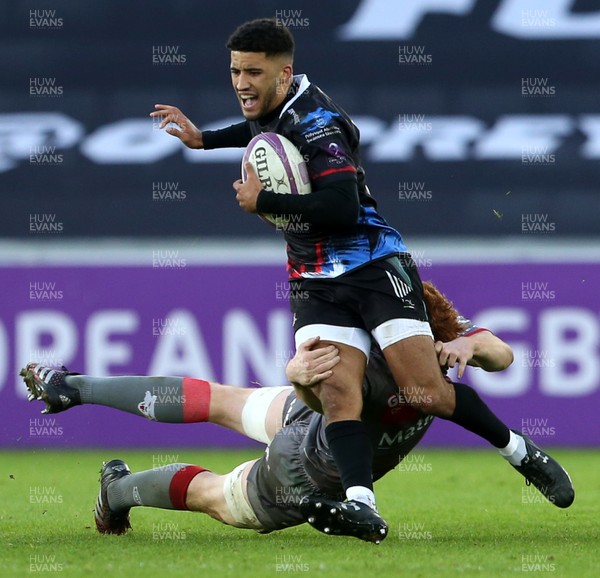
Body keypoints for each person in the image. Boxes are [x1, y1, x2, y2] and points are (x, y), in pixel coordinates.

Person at [147, 18, 573, 537]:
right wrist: (204, 139)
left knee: (426, 393)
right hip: (314, 278)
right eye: (236, 71)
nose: (241, 83)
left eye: (253, 72)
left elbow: (343, 206)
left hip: (372, 264)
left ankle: (522, 453)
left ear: (285, 76)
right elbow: (261, 131)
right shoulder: (276, 109)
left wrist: (264, 202)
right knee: (336, 389)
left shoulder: (319, 122)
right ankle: (360, 502)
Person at [21, 282, 575, 544]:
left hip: (306, 421)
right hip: (308, 461)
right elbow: (335, 406)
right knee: (214, 495)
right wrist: (297, 379)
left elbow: (500, 352)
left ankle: (75, 387)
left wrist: (472, 345)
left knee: (218, 398)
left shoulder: (420, 333)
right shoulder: (380, 361)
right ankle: (115, 491)